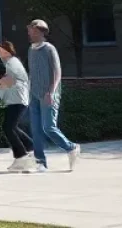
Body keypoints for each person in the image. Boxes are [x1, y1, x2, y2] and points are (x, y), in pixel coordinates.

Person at [26, 19, 80, 172]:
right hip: (34, 94)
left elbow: (57, 73)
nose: (30, 33)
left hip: (48, 94)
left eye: (33, 30)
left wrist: (51, 92)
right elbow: (32, 73)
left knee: (48, 127)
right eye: (30, 30)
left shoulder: (49, 49)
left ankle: (71, 148)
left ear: (41, 32)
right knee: (36, 130)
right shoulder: (31, 50)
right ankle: (40, 162)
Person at [0, 40, 34, 172]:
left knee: (8, 127)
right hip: (14, 101)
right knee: (12, 127)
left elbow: (15, 81)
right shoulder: (9, 64)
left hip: (18, 100)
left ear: (9, 51)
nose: (0, 52)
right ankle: (31, 148)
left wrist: (1, 82)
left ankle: (21, 156)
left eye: (3, 50)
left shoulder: (12, 63)